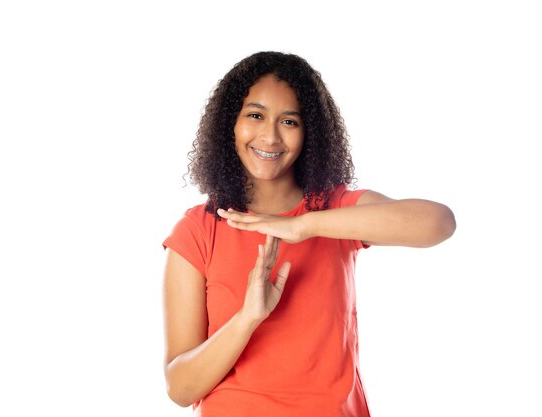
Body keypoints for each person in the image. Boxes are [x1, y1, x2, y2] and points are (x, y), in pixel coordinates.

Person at [162, 51, 456, 416]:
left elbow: (439, 222)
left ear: (309, 133)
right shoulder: (198, 230)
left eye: (289, 121)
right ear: (230, 125)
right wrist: (247, 318)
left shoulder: (334, 210)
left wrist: (303, 226)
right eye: (255, 115)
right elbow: (180, 387)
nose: (270, 136)